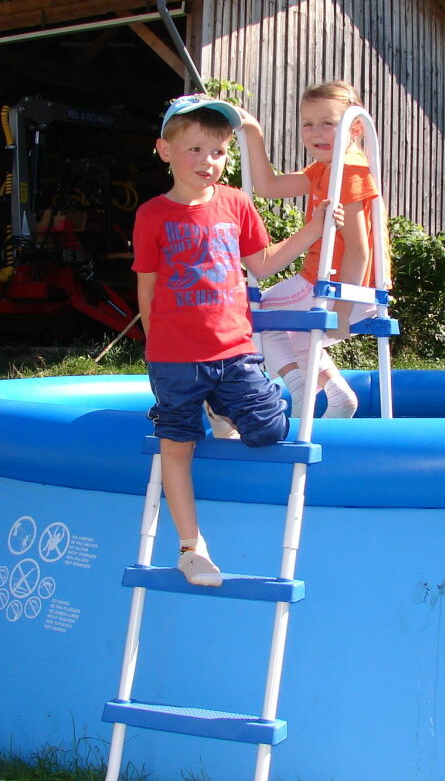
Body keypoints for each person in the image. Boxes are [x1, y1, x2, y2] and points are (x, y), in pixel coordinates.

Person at [132, 94, 341, 586]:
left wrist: (314, 229)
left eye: (219, 152)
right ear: (165, 150)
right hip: (176, 359)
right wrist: (155, 346)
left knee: (269, 430)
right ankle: (191, 547)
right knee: (176, 449)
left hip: (233, 352)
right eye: (196, 150)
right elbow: (148, 288)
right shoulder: (152, 215)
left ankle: (221, 407)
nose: (209, 162)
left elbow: (263, 263)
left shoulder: (235, 203)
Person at [239, 81, 386, 419]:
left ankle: (300, 392)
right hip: (332, 284)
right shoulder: (325, 168)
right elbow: (269, 187)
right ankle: (338, 397)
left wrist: (342, 311)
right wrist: (252, 132)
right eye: (307, 123)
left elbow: (359, 251)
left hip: (344, 287)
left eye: (327, 123)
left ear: (356, 128)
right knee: (298, 334)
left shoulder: (349, 171)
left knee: (254, 315)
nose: (315, 132)